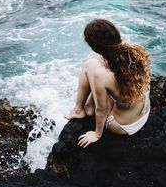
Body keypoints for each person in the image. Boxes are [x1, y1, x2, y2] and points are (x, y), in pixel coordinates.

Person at [64, 19, 151, 148]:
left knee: (90, 66)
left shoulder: (102, 75)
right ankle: (82, 108)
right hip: (143, 114)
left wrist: (97, 134)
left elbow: (102, 110)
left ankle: (79, 110)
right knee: (93, 65)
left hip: (122, 126)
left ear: (94, 48)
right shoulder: (136, 50)